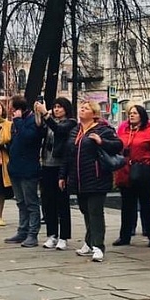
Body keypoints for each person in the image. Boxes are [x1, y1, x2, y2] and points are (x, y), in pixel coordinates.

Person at [59, 101, 122, 263]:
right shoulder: (75, 131)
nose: (82, 109)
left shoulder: (103, 129)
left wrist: (102, 142)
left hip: (96, 177)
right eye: (81, 107)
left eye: (86, 108)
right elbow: (68, 155)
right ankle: (89, 241)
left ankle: (98, 246)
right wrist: (62, 175)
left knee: (95, 212)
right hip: (78, 179)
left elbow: (118, 145)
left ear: (94, 114)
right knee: (85, 210)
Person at [113, 105, 150, 248]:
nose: (131, 115)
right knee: (127, 205)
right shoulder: (124, 130)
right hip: (125, 171)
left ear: (142, 115)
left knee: (146, 204)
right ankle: (125, 236)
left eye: (135, 113)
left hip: (143, 171)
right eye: (130, 113)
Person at [4, 95, 45, 247]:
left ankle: (32, 233)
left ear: (17, 108)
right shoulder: (17, 121)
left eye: (11, 106)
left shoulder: (32, 120)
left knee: (31, 202)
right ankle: (22, 230)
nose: (9, 109)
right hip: (15, 168)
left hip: (28, 169)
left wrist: (18, 121)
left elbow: (28, 138)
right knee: (20, 201)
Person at [35, 97, 74, 250]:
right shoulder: (49, 122)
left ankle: (64, 236)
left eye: (60, 107)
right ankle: (52, 234)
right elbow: (40, 132)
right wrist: (39, 114)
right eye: (55, 107)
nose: (57, 110)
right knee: (48, 201)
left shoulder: (70, 123)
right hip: (46, 164)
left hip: (60, 167)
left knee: (62, 203)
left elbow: (60, 131)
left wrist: (46, 115)